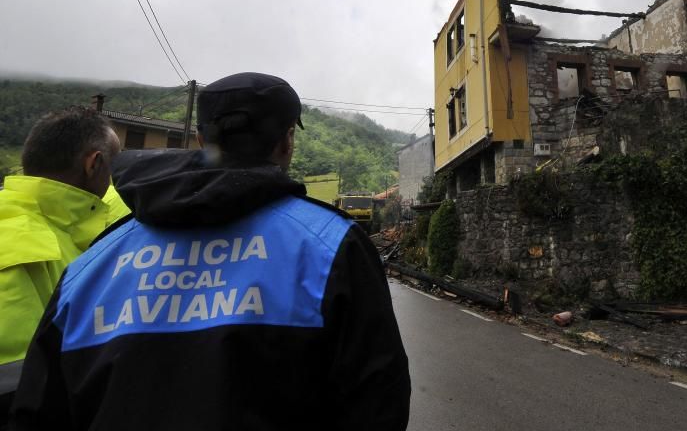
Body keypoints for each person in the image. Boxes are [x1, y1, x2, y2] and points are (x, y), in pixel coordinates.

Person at [11, 73, 410, 430]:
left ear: (201, 140)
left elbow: (39, 411)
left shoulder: (93, 264)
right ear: (287, 141)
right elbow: (378, 401)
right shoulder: (332, 245)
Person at [0, 108, 128, 419]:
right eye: (112, 166)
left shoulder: (50, 227)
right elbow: (14, 385)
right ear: (94, 163)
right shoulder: (28, 249)